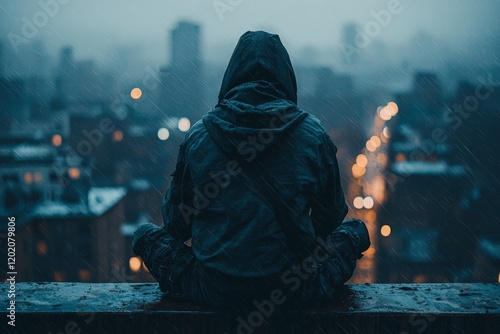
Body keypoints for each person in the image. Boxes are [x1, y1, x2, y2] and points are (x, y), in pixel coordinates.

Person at [132, 31, 370, 307]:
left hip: (212, 289)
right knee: (355, 230)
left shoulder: (200, 135)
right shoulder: (313, 134)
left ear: (231, 76)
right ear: (286, 77)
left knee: (144, 235)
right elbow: (330, 220)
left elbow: (176, 225)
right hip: (295, 290)